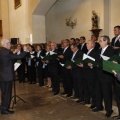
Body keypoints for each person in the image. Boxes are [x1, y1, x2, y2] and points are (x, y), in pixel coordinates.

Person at [0, 38, 27, 114]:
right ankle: (5, 109)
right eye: (9, 43)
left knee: (4, 93)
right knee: (7, 93)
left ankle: (2, 107)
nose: (10, 45)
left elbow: (9, 59)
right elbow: (19, 57)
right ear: (6, 44)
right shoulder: (7, 53)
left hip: (2, 76)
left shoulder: (2, 51)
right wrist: (25, 50)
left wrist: (14, 53)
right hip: (7, 76)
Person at [92, 35, 115, 118]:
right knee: (98, 92)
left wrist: (98, 65)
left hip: (106, 75)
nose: (99, 42)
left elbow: (110, 63)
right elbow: (96, 60)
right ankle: (99, 106)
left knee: (107, 94)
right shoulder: (99, 50)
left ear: (106, 41)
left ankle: (109, 110)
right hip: (98, 74)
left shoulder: (111, 50)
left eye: (101, 41)